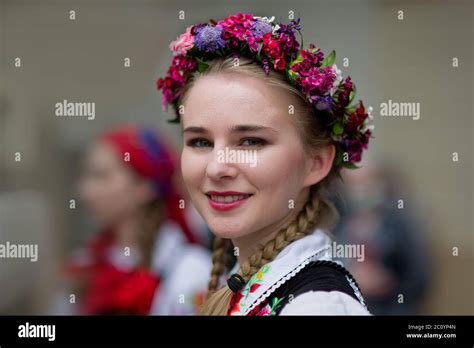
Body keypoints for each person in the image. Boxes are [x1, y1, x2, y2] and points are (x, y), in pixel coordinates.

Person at [157, 12, 373, 315]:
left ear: (316, 163)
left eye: (251, 141)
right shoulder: (240, 279)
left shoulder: (318, 307)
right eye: (200, 142)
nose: (217, 167)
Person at [63, 125, 211, 315]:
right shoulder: (85, 261)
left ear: (145, 186)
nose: (85, 192)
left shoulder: (191, 271)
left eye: (101, 176)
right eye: (87, 177)